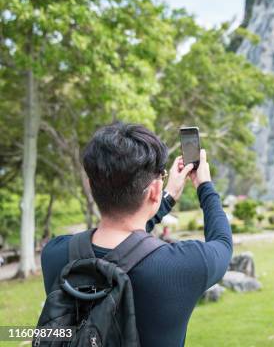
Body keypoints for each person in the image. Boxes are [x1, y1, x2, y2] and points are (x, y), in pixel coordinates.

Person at [41, 122, 232, 347]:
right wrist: (204, 185)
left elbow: (124, 240)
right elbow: (222, 242)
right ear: (153, 190)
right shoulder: (184, 265)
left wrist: (167, 196)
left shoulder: (55, 255)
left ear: (91, 186)